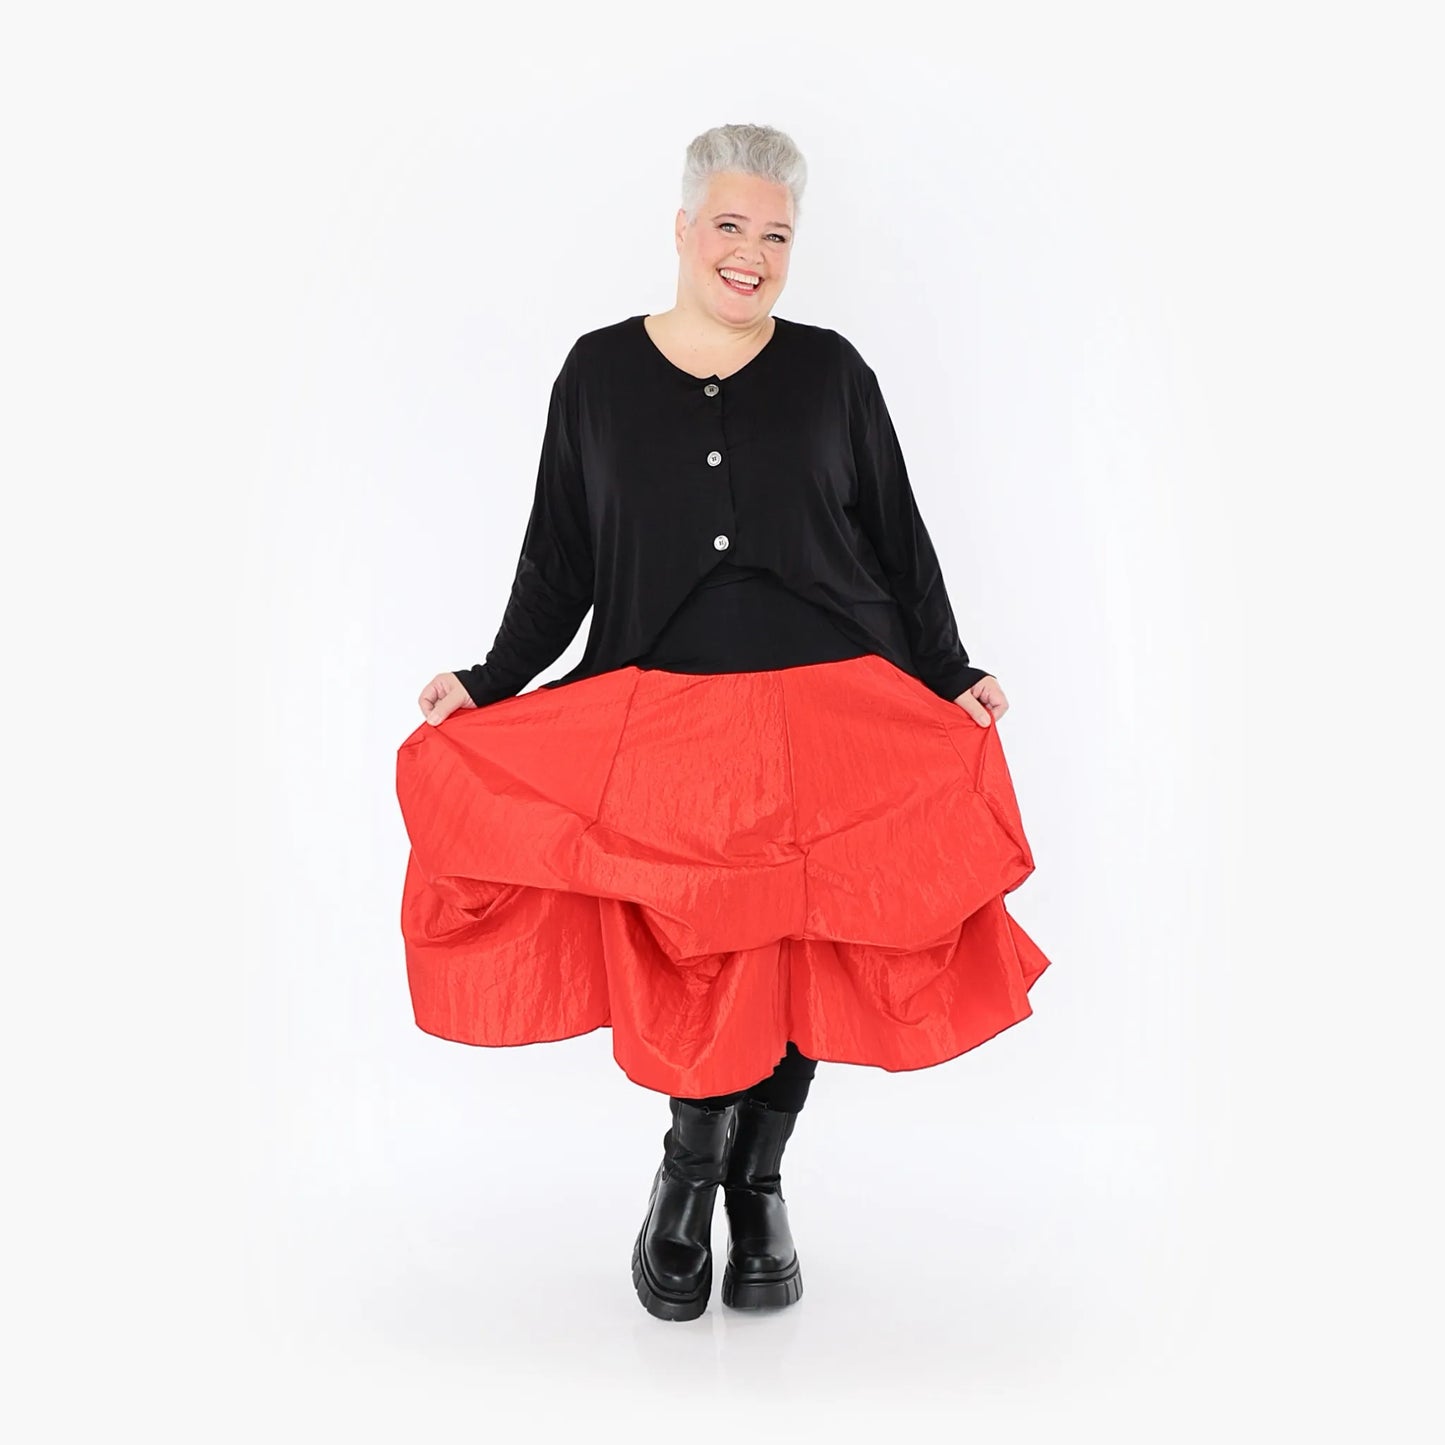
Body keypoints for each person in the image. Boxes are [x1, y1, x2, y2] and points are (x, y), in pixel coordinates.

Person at [396, 123, 1052, 1322]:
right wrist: (492, 679)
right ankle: (687, 1174)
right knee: (707, 952)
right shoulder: (597, 373)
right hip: (667, 715)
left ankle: (757, 1185)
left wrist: (946, 668)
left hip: (832, 703)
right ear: (684, 228)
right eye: (731, 226)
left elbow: (896, 540)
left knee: (802, 944)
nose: (751, 254)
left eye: (777, 235)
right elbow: (559, 557)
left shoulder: (832, 372)